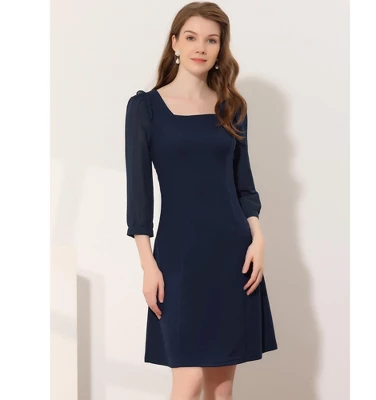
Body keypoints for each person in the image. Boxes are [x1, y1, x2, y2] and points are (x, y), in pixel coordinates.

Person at [125, 2, 278, 399]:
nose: (201, 47)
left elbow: (244, 186)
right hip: (178, 259)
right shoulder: (145, 108)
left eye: (212, 40)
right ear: (175, 42)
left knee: (221, 387)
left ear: (220, 48)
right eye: (192, 37)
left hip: (232, 253)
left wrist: (258, 238)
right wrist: (147, 265)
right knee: (188, 381)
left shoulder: (232, 107)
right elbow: (140, 199)